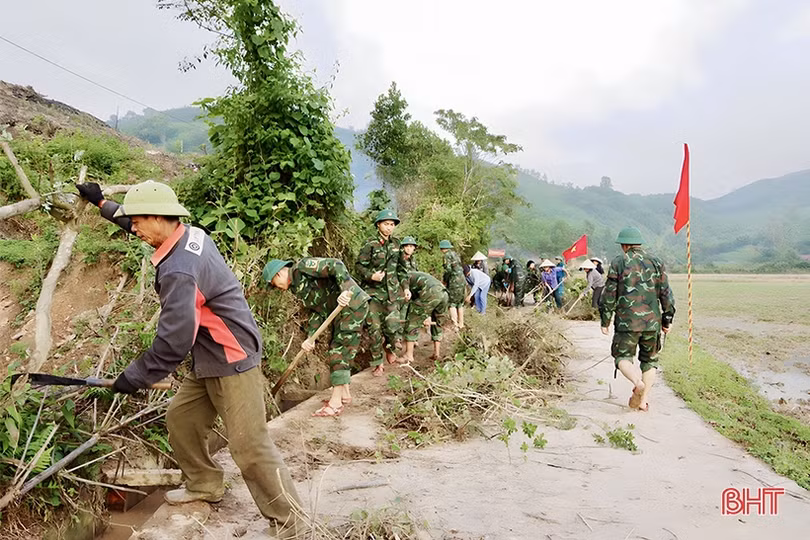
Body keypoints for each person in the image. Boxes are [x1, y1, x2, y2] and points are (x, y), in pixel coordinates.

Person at [74, 180, 306, 537]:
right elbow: (136, 219)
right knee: (181, 419)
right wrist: (102, 203)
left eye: (137, 222)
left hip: (232, 355)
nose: (133, 228)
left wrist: (133, 377)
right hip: (210, 353)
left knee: (249, 445)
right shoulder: (188, 234)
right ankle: (204, 483)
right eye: (132, 221)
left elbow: (173, 342)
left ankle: (292, 522)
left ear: (158, 217)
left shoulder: (179, 270)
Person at [262, 257, 370, 417]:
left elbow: (336, 265)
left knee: (338, 351)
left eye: (274, 285)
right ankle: (344, 394)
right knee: (337, 347)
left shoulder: (303, 268)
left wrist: (345, 290)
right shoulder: (297, 287)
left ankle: (335, 404)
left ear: (278, 274)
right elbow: (316, 311)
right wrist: (310, 337)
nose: (277, 289)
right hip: (339, 312)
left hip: (351, 305)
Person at [599, 226, 675, 412]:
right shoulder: (656, 262)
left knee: (622, 356)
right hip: (652, 323)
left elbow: (609, 294)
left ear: (624, 246)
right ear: (639, 244)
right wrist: (667, 320)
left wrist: (605, 321)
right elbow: (666, 293)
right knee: (650, 361)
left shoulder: (619, 262)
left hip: (627, 323)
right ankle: (643, 401)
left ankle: (636, 383)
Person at [356, 209, 410, 377]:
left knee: (393, 326)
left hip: (392, 293)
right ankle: (377, 363)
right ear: (378, 225)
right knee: (375, 329)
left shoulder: (396, 244)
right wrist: (371, 276)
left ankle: (391, 350)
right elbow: (358, 266)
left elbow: (402, 269)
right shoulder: (370, 244)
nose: (389, 227)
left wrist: (406, 288)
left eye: (392, 225)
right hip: (373, 294)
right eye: (386, 224)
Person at [399, 271, 450, 363]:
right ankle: (436, 353)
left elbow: (407, 302)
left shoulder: (402, 279)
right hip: (444, 293)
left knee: (412, 321)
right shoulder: (414, 275)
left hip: (430, 292)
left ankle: (408, 355)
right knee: (438, 322)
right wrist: (426, 316)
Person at [439, 240, 466, 329]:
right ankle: (461, 324)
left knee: (452, 303)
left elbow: (448, 270)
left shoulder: (446, 256)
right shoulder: (455, 254)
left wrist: (445, 281)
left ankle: (455, 324)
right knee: (460, 303)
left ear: (442, 248)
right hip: (462, 279)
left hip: (454, 281)